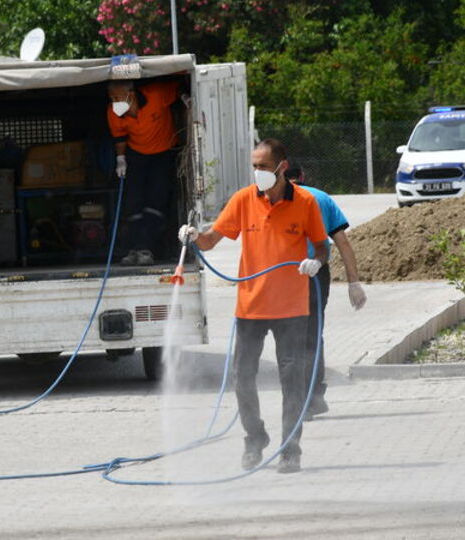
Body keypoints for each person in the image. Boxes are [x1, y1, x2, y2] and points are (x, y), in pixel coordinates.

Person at [178, 139, 328, 474]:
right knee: (242, 378)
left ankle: (291, 450)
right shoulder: (244, 200)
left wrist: (314, 263)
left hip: (292, 308)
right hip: (251, 306)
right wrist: (192, 236)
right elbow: (212, 239)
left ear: (282, 167)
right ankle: (255, 437)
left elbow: (321, 247)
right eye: (255, 166)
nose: (257, 172)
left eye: (263, 166)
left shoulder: (304, 202)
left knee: (293, 380)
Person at [284, 165, 367, 420]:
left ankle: (302, 400)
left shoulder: (276, 200)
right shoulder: (321, 197)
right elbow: (343, 242)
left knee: (291, 337)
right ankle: (314, 396)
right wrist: (354, 283)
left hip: (285, 275)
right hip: (317, 274)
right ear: (303, 177)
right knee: (312, 334)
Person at [106, 79, 182, 265]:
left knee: (156, 200)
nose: (114, 101)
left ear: (131, 94)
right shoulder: (114, 112)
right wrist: (120, 159)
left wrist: (186, 98)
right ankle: (135, 248)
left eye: (117, 96)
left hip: (163, 154)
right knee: (133, 202)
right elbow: (120, 137)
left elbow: (177, 86)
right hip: (136, 155)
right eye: (112, 97)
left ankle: (146, 248)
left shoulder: (155, 95)